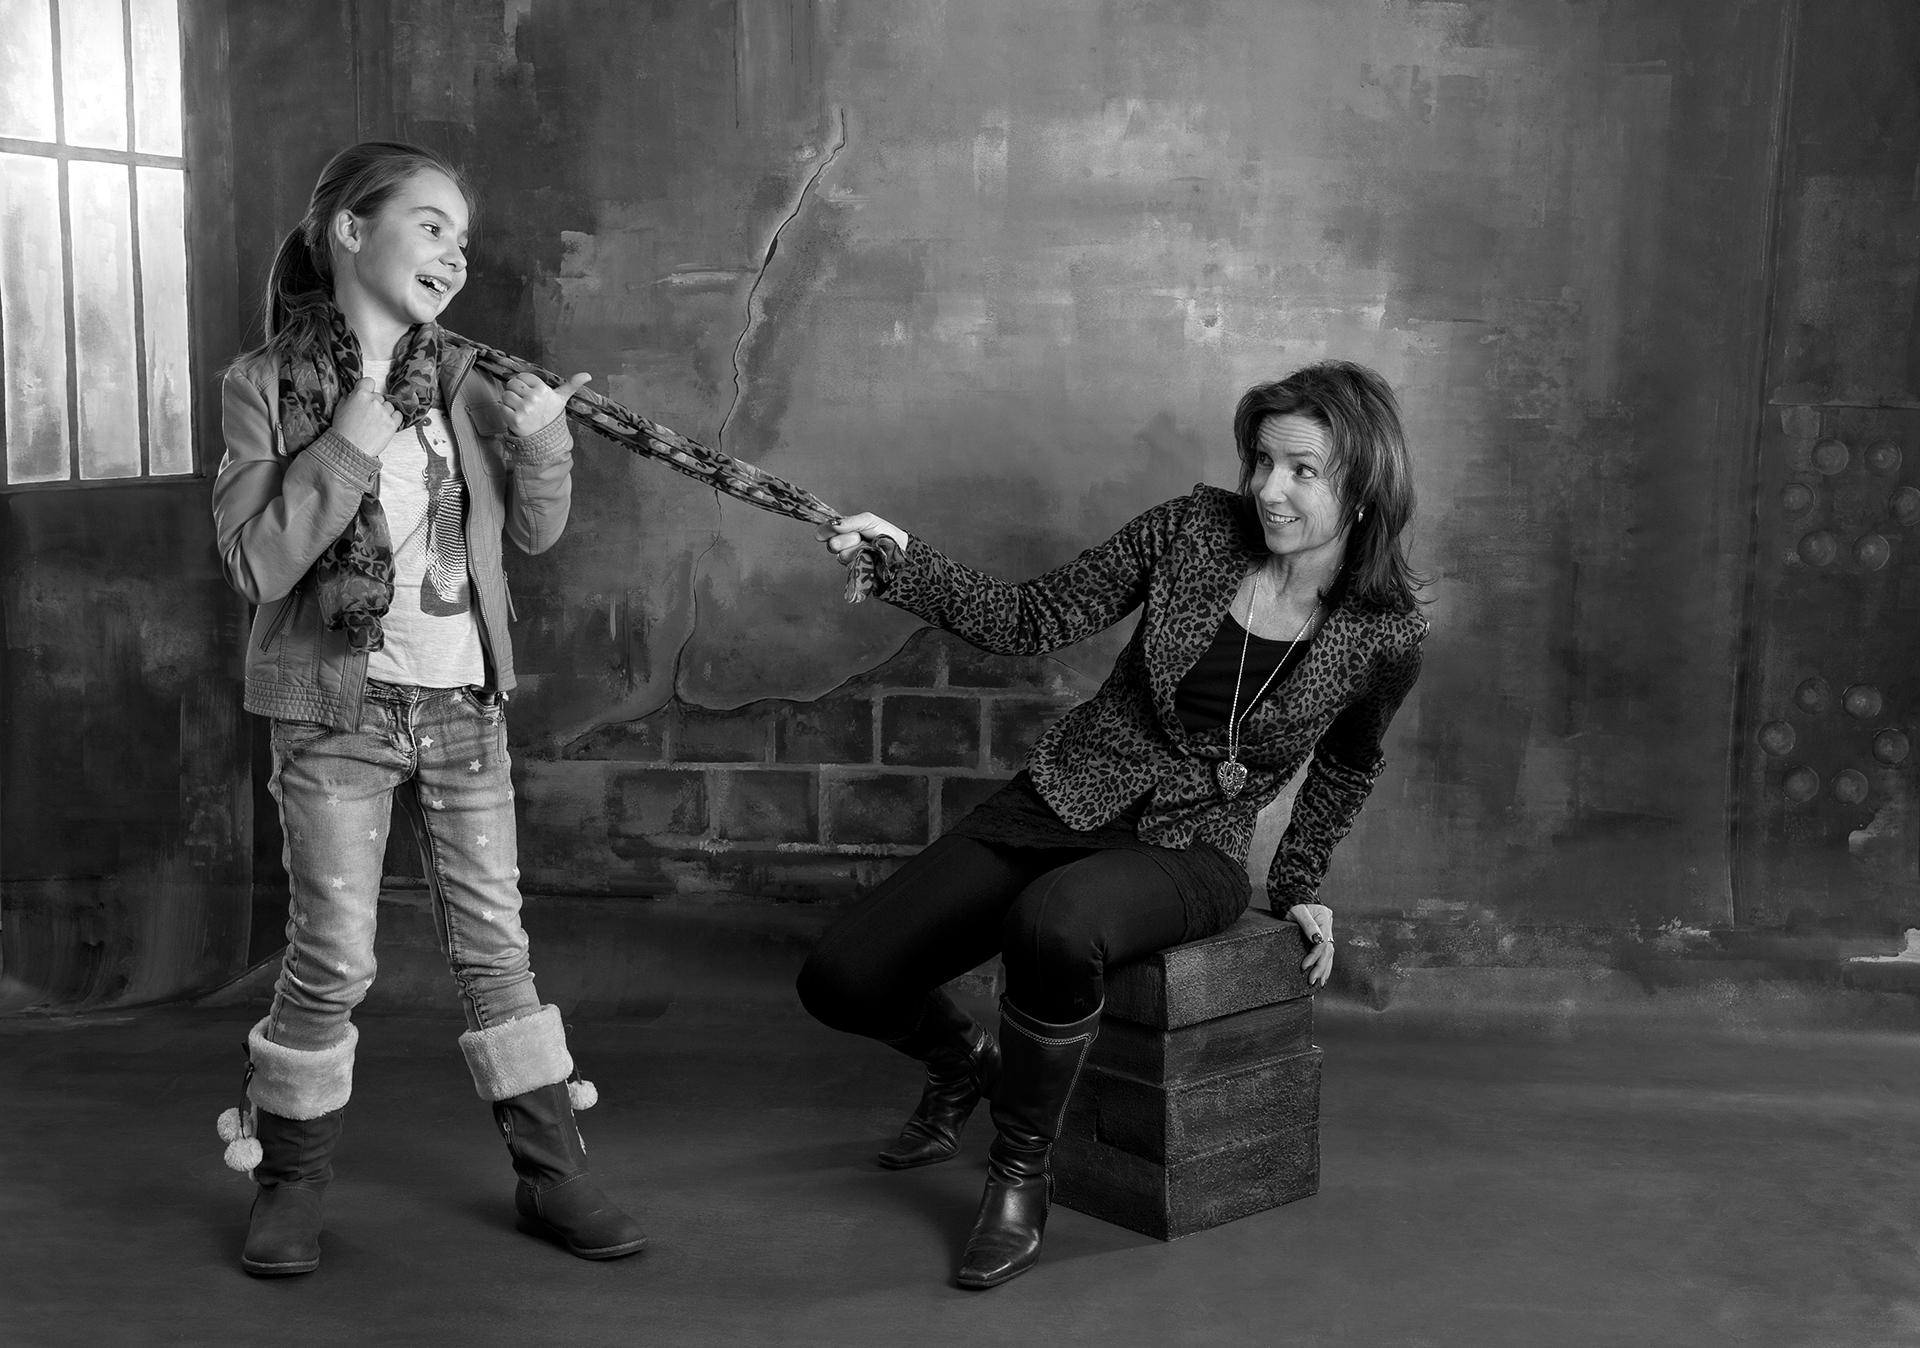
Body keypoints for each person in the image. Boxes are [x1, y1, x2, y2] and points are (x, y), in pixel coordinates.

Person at [797, 362, 1427, 1288]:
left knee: (1056, 920)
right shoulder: (1192, 529)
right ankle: (964, 1062)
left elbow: (1346, 763)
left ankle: (1020, 1172)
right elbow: (1030, 617)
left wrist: (1297, 882)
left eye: (1303, 471)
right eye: (1262, 461)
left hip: (1194, 847)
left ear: (1365, 489)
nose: (1268, 489)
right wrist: (904, 557)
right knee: (842, 978)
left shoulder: (1385, 632)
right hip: (1066, 794)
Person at [209, 140, 644, 1275]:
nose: (454, 253)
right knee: (333, 958)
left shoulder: (469, 379)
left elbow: (534, 534)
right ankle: (289, 1180)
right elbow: (258, 563)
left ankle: (554, 1173)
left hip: (463, 705)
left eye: (463, 236)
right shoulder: (264, 385)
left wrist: (543, 436)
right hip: (336, 716)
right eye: (432, 225)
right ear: (352, 231)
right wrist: (357, 427)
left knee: (497, 947)